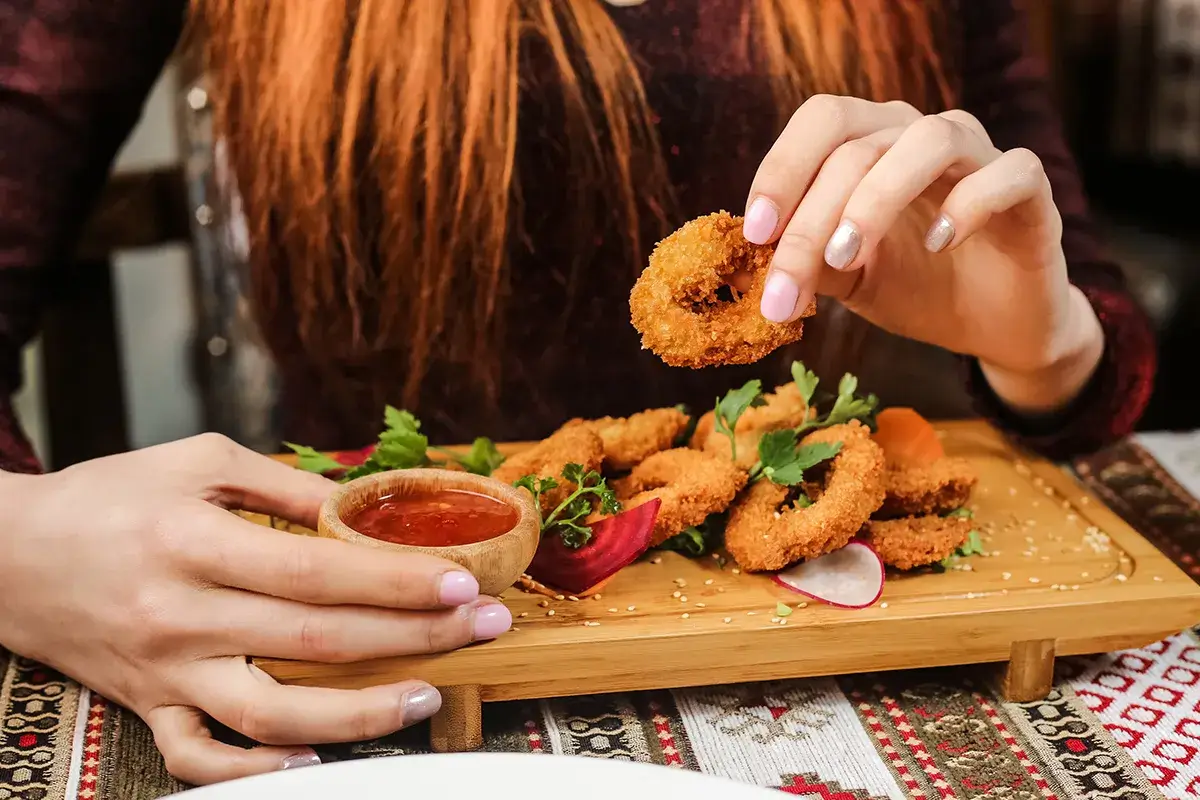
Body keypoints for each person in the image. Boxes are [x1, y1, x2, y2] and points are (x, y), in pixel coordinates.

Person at [0, 0, 1155, 786]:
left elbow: (1091, 366)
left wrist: (1041, 340)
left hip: (858, 672)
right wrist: (20, 544)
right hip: (381, 677)